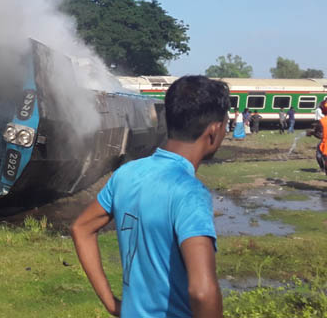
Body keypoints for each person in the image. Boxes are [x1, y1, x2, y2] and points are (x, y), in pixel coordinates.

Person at [71, 75, 227, 318]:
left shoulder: (126, 174)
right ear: (214, 130)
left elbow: (81, 228)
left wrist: (112, 304)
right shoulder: (189, 192)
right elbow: (202, 292)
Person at [307, 100, 327, 175]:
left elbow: (321, 135)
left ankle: (322, 169)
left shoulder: (322, 121)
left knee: (319, 155)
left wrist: (312, 133)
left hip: (325, 145)